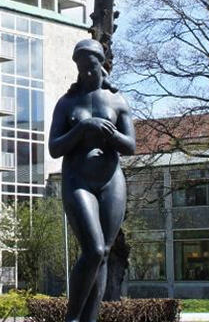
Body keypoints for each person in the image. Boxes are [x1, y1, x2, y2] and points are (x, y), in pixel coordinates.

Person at [48, 39, 136, 322]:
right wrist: (84, 126)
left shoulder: (117, 100)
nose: (86, 72)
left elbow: (130, 146)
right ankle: (72, 319)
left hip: (111, 182)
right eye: (81, 67)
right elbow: (54, 148)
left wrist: (108, 133)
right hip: (78, 181)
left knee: (105, 253)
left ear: (102, 65)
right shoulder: (67, 103)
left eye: (91, 66)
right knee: (94, 249)